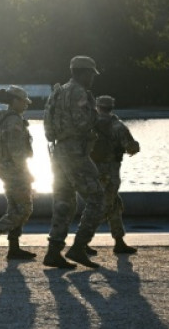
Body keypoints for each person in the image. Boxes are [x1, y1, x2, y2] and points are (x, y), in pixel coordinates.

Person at [42, 55, 105, 269]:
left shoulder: (57, 92)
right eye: (91, 75)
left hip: (57, 150)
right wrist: (95, 116)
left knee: (63, 202)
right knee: (97, 198)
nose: (92, 79)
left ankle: (53, 252)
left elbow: (47, 123)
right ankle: (78, 247)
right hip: (74, 152)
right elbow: (82, 123)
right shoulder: (79, 92)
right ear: (83, 73)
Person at [0, 85, 37, 260]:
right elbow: (16, 152)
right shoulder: (13, 122)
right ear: (14, 101)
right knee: (25, 208)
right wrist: (26, 173)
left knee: (14, 207)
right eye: (23, 101)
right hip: (15, 171)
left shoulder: (6, 118)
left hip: (6, 169)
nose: (26, 105)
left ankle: (14, 248)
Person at [91, 95, 140, 254]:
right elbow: (131, 147)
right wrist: (134, 146)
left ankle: (119, 241)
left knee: (114, 206)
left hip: (92, 170)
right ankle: (82, 240)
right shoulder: (117, 126)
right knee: (105, 207)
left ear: (97, 107)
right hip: (110, 172)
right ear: (112, 107)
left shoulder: (89, 124)